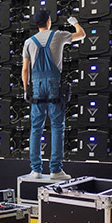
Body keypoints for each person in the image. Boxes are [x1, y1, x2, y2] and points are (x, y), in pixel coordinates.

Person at [22, 10, 86, 180]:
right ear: (48, 21)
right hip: (53, 85)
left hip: (36, 85)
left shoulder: (29, 42)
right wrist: (75, 22)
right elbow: (81, 35)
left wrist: (25, 89)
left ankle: (35, 170)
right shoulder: (58, 35)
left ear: (37, 24)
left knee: (36, 127)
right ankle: (55, 170)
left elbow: (25, 69)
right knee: (57, 126)